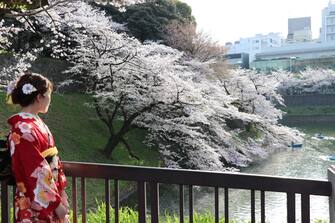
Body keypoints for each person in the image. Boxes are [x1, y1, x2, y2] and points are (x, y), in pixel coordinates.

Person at [6, 73, 69, 223]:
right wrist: (56, 204)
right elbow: (35, 170)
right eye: (48, 95)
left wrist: (61, 192)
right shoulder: (22, 128)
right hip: (34, 199)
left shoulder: (34, 123)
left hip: (50, 193)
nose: (50, 99)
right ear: (39, 97)